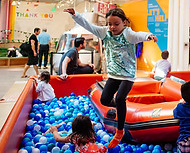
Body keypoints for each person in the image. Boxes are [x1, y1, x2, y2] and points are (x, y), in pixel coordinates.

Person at [64, 8, 157, 148]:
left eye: (116, 24)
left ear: (124, 22)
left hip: (127, 75)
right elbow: (89, 26)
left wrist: (149, 35)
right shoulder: (104, 32)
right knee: (104, 99)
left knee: (120, 98)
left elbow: (139, 35)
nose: (112, 27)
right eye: (109, 24)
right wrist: (76, 15)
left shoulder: (128, 34)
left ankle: (119, 131)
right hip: (114, 74)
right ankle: (122, 107)